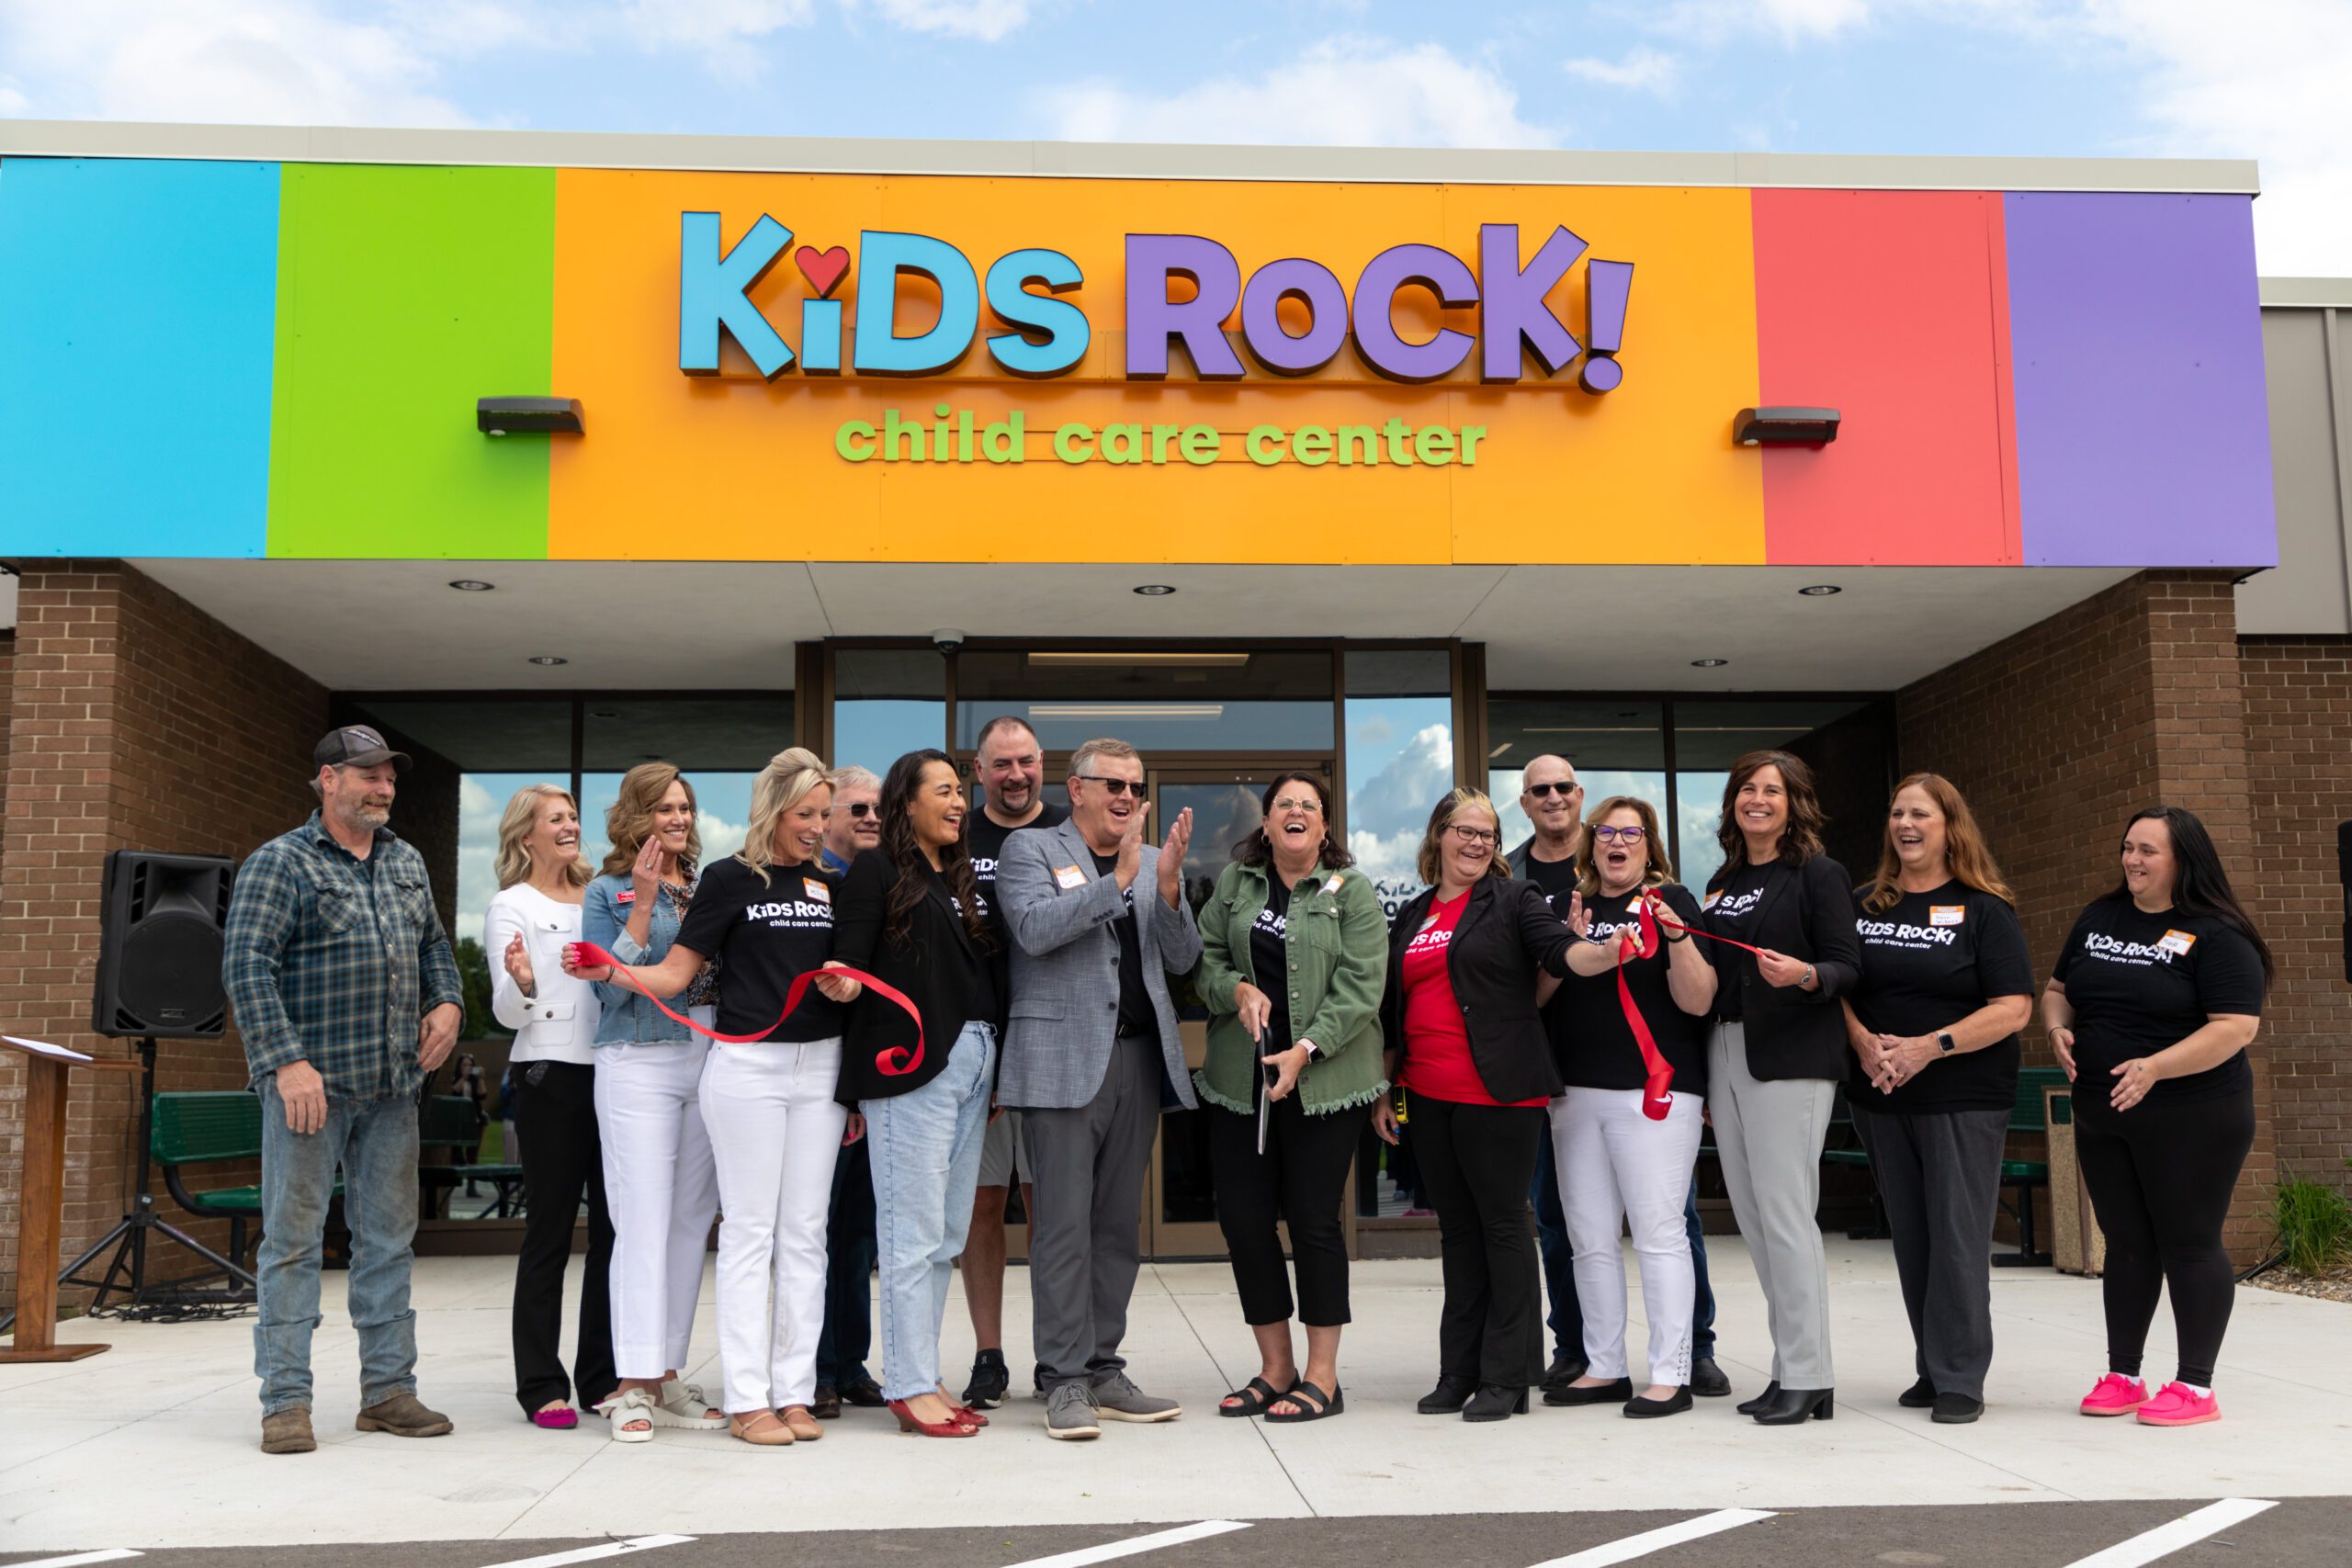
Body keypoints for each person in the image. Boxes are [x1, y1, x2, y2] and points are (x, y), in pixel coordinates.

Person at [572, 749, 859, 1447]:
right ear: (773, 809)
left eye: (825, 814)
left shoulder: (834, 881)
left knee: (804, 1234)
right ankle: (746, 1398)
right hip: (743, 1067)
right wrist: (609, 967)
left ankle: (793, 1391)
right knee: (748, 1232)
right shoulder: (729, 880)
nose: (817, 827)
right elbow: (675, 974)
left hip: (818, 1068)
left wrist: (848, 986)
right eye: (805, 814)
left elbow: (853, 972)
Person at [221, 724, 465, 1455]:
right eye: (368, 774)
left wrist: (449, 1002)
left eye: (389, 775)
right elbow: (246, 965)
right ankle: (285, 1402)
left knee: (388, 1243)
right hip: (310, 1091)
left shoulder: (405, 860)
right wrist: (285, 1062)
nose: (383, 786)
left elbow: (434, 948)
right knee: (293, 1245)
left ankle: (388, 1392)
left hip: (394, 1085)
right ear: (327, 779)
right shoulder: (281, 862)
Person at [997, 738, 1199, 1441]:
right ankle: (1063, 1378)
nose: (1126, 797)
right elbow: (1031, 929)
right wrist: (1116, 881)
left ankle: (1103, 1366)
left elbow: (1182, 959)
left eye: (1136, 787)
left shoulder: (1146, 862)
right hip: (1059, 1061)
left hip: (1138, 1062)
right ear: (1075, 788)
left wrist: (1167, 887)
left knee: (1116, 1229)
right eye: (1112, 784)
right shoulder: (1031, 850)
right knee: (1060, 1229)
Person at [2041, 806, 2267, 1428]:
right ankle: (2124, 1372)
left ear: (2182, 859)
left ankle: (2196, 1384)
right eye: (2127, 847)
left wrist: (2155, 1067)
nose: (2133, 860)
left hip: (2191, 1115)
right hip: (2104, 1114)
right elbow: (2059, 988)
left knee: (2188, 1243)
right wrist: (2058, 1027)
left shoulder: (2218, 934)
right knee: (2128, 1243)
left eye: (2149, 851)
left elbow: (2235, 1027)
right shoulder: (2099, 916)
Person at [1373, 787, 1578, 1423]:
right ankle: (1458, 1370)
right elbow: (1392, 1009)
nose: (1476, 842)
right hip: (1426, 1095)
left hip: (1498, 1090)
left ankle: (1507, 1376)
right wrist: (1386, 1087)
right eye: (1464, 830)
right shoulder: (1411, 915)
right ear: (1438, 836)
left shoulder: (1513, 900)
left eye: (1487, 833)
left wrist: (1595, 950)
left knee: (1503, 1227)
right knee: (1458, 1233)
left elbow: (1555, 950)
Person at [1843, 774, 2034, 1425]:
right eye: (1897, 812)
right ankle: (1933, 1362)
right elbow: (1841, 986)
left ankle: (1960, 1377)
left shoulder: (1984, 908)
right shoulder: (1865, 902)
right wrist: (1866, 1042)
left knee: (1956, 1235)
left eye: (1920, 813)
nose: (1906, 824)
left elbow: (2013, 1008)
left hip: (1962, 1095)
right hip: (1882, 1093)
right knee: (1914, 1237)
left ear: (1951, 824)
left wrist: (1930, 1046)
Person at [1196, 773, 1386, 1424]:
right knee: (1245, 1220)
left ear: (1325, 826)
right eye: (1286, 804)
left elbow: (1363, 985)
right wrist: (1236, 993)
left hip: (1326, 1078)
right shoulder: (1236, 882)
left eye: (1310, 804)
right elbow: (1206, 961)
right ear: (1268, 823)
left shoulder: (1351, 891)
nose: (1297, 811)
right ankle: (1275, 1368)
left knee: (1311, 1219)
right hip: (1240, 1076)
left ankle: (1323, 1376)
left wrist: (1306, 1048)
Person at [833, 750, 1005, 1438]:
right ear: (906, 803)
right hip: (909, 1071)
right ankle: (908, 1384)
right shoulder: (878, 870)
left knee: (944, 1236)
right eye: (944, 791)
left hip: (971, 1065)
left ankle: (922, 1372)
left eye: (961, 792)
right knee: (908, 1235)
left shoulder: (956, 877)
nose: (960, 802)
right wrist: (844, 982)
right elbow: (845, 962)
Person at [1702, 750, 1861, 1427]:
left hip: (1791, 1056)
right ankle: (1789, 1366)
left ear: (1794, 802)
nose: (1757, 799)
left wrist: (1801, 974)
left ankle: (1809, 1374)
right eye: (1747, 789)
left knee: (1788, 1215)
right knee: (1756, 1217)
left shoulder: (1819, 875)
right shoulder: (1724, 878)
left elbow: (1847, 966)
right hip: (1726, 1049)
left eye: (1772, 790)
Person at [1544, 795, 1717, 1418]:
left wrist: (1675, 937)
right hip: (1576, 1093)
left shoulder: (1673, 901)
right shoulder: (1571, 905)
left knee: (1658, 1232)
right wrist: (1566, 942)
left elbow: (1697, 1002)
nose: (1617, 842)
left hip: (1655, 1093)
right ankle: (1605, 1365)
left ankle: (1671, 1373)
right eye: (1607, 832)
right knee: (1588, 1236)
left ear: (1649, 845)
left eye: (1631, 832)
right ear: (1592, 843)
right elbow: (1541, 993)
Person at [580, 763, 727, 1443]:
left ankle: (666, 1373)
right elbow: (609, 989)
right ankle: (630, 1383)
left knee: (690, 1221)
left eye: (686, 808)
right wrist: (640, 902)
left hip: (704, 1060)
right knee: (639, 1218)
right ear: (637, 815)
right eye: (665, 807)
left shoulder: (706, 885)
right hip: (635, 1061)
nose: (679, 818)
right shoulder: (605, 890)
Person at [484, 783, 612, 1430]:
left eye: (571, 817)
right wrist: (525, 981)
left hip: (614, 1075)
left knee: (614, 1233)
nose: (568, 826)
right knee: (551, 1233)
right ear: (525, 835)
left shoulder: (601, 896)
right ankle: (540, 1383)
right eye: (554, 819)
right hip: (548, 1074)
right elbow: (504, 1006)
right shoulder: (512, 904)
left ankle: (602, 1377)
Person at [957, 716, 1068, 1409]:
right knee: (983, 1205)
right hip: (975, 1048)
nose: (1015, 774)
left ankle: (1060, 1354)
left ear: (1043, 763)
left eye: (1025, 761)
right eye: (1001, 764)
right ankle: (989, 1354)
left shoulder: (1069, 830)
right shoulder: (957, 836)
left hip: (1051, 1044)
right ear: (978, 770)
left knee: (1054, 1207)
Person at [1502, 753, 1589, 1392]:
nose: (1554, 796)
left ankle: (1696, 1346)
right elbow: (1520, 989)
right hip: (1542, 1067)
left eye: (1563, 786)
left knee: (1669, 1220)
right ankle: (1575, 1346)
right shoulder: (1512, 876)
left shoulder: (1623, 853)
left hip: (1627, 1065)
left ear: (1579, 794)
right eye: (1541, 790)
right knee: (1555, 1216)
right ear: (1525, 802)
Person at [813, 761, 885, 1416]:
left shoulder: (883, 882)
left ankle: (852, 1362)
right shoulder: (813, 887)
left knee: (860, 1234)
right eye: (855, 808)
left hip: (873, 1082)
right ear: (826, 814)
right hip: (819, 1082)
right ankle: (816, 1368)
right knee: (818, 1230)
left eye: (876, 809)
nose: (868, 818)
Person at [821, 764, 883, 874]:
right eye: (858, 809)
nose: (872, 818)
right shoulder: (806, 879)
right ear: (826, 816)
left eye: (879, 810)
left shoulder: (892, 879)